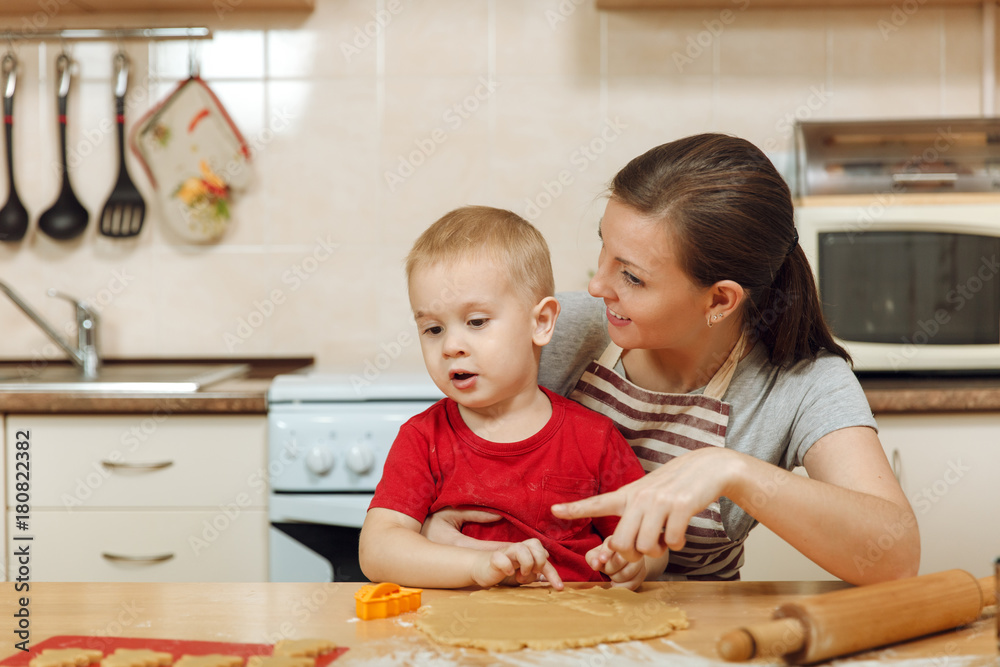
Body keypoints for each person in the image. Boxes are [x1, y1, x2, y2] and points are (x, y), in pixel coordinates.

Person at [423, 134, 920, 584]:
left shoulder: (801, 383)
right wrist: (440, 532)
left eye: (632, 278)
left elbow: (895, 555)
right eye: (604, 250)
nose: (597, 286)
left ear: (720, 301)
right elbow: (442, 467)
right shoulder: (560, 331)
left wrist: (734, 472)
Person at [358, 205, 658, 591]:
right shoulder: (423, 439)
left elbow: (648, 543)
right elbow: (377, 550)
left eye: (476, 322)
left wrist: (635, 562)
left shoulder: (594, 438)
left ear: (541, 322)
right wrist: (476, 565)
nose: (451, 346)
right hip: (462, 640)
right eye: (432, 329)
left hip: (575, 633)